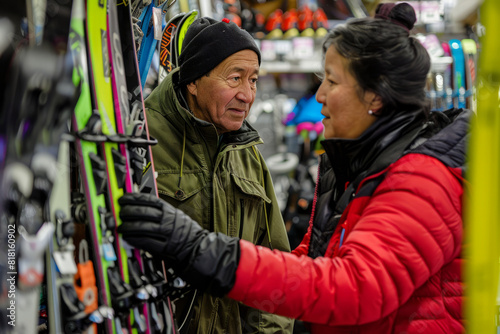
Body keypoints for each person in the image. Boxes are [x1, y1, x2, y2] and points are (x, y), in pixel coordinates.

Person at [121, 3, 469, 333]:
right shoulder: (365, 169)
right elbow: (306, 264)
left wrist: (199, 249)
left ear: (374, 96)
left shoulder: (421, 178)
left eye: (331, 81)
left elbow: (353, 287)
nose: (318, 95)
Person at [142, 17, 293, 334]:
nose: (247, 95)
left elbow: (275, 265)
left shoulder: (247, 153)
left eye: (253, 80)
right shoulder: (143, 141)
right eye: (235, 78)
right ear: (193, 82)